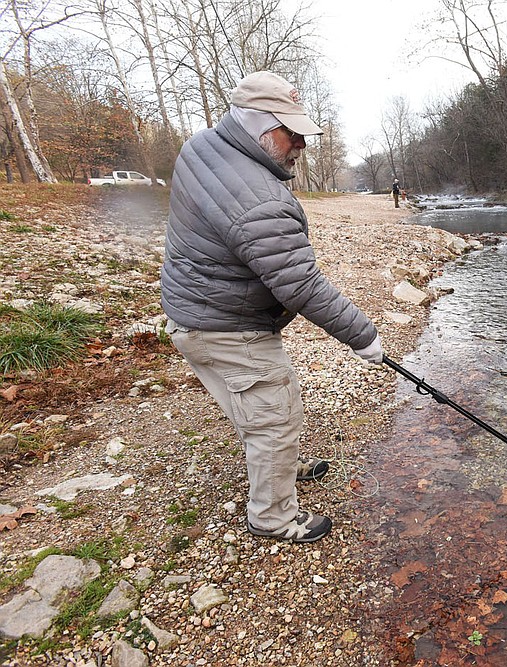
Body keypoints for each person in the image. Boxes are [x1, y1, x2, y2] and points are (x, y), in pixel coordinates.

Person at [160, 71, 383, 544]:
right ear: (259, 125)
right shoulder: (259, 199)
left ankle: (278, 464)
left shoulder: (201, 146)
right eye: (292, 132)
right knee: (274, 419)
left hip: (191, 313)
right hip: (227, 325)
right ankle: (273, 517)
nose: (300, 144)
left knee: (259, 409)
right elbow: (299, 284)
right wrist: (364, 337)